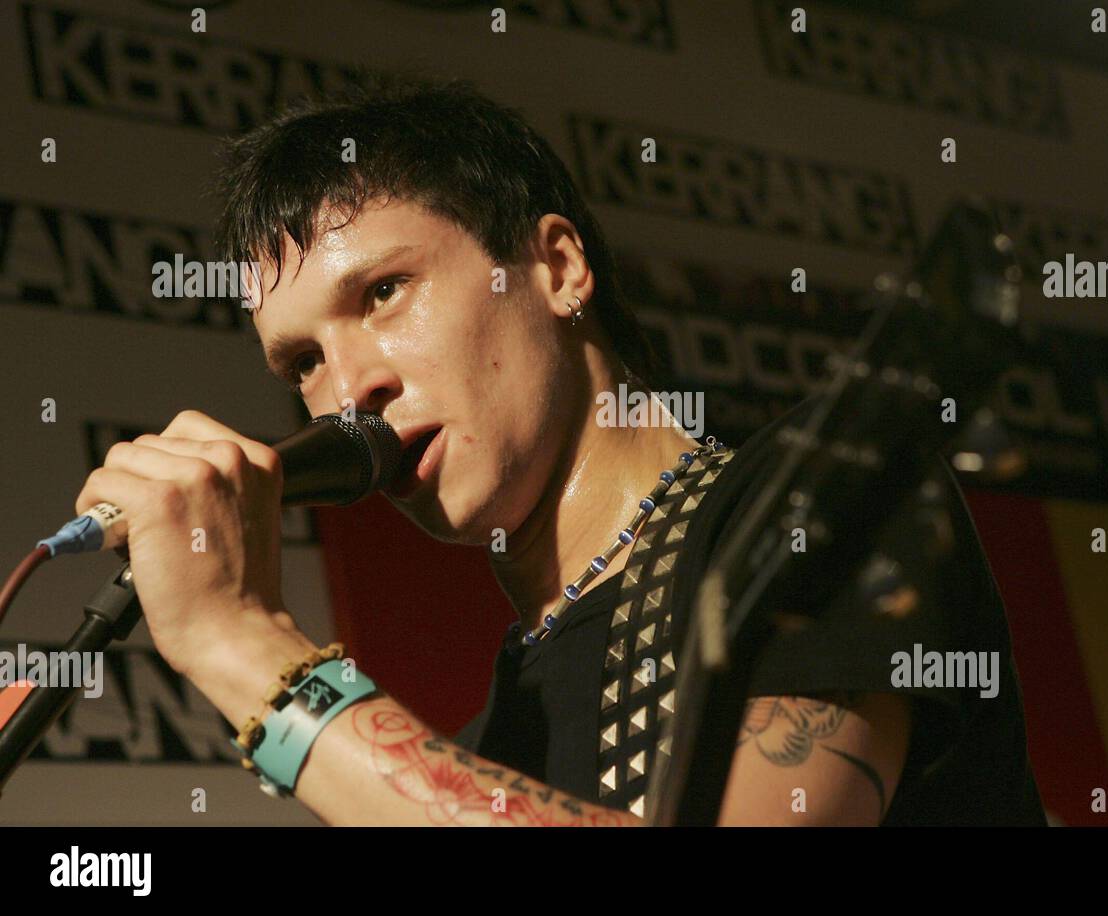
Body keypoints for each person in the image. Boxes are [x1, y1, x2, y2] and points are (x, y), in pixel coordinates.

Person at [74, 78, 1046, 826]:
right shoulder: (479, 748)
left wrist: (244, 647)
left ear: (556, 266)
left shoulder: (822, 500)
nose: (346, 387)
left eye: (381, 294)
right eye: (301, 362)